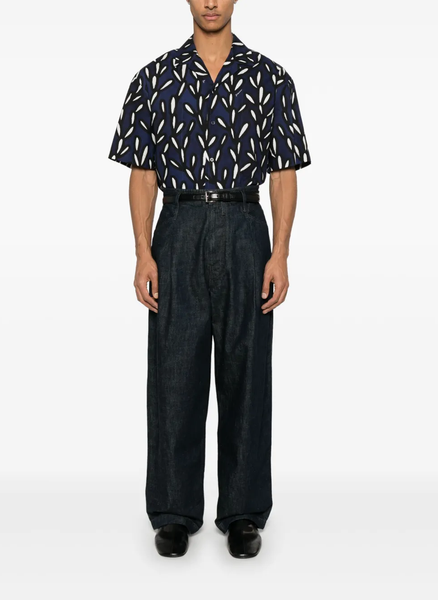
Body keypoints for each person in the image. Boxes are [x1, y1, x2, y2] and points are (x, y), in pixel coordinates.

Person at [107, 0, 311, 559]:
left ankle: (243, 512)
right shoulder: (154, 79)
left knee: (248, 371)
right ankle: (173, 511)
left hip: (246, 226)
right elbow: (142, 172)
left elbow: (284, 172)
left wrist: (280, 253)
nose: (212, 2)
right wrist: (143, 252)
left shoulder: (270, 78)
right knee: (175, 372)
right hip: (178, 225)